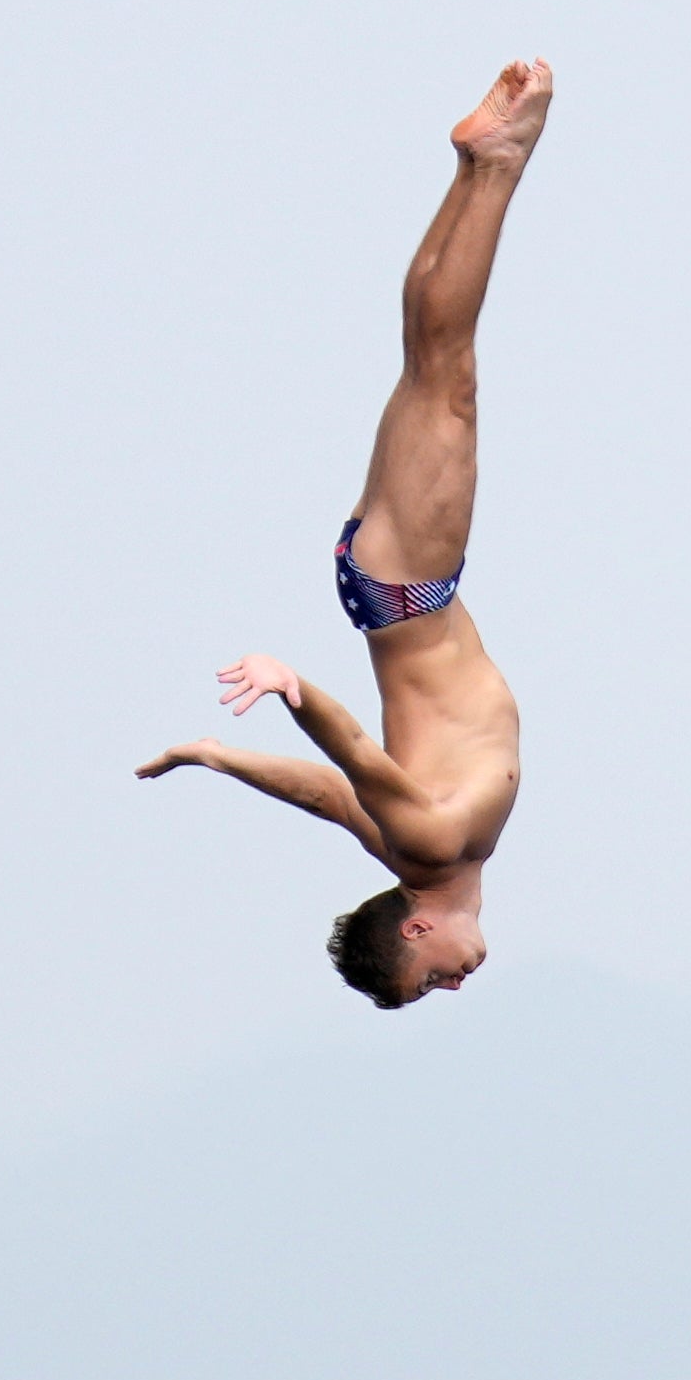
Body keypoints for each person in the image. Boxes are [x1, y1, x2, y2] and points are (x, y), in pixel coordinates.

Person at [139, 60, 549, 1007]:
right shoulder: (411, 849)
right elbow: (326, 793)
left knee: (444, 373)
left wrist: (292, 690)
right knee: (431, 372)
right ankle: (477, 167)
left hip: (411, 587)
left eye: (433, 975)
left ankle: (495, 167)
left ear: (415, 930)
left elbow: (355, 758)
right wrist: (215, 755)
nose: (457, 979)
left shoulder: (434, 844)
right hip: (392, 588)